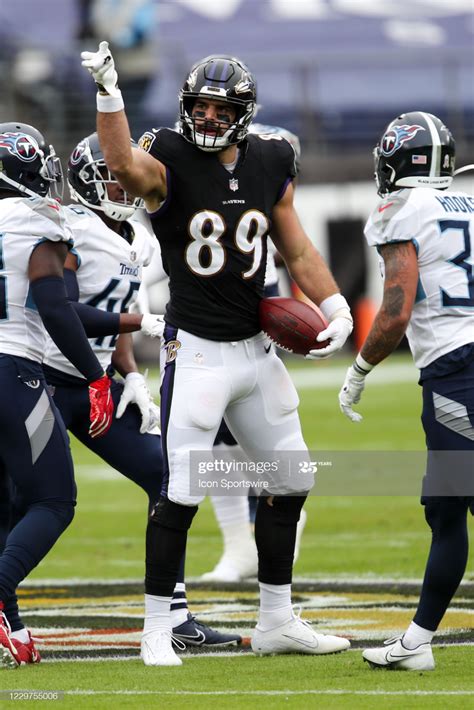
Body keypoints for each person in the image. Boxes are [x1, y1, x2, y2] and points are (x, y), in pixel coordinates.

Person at [81, 42, 353, 666]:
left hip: (257, 352)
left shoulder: (271, 159)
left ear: (244, 112)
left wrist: (335, 306)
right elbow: (123, 166)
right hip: (198, 350)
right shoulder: (168, 158)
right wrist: (109, 94)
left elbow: (298, 250)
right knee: (180, 491)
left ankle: (278, 618)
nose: (203, 118)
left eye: (216, 108)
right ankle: (156, 627)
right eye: (196, 106)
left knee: (293, 481)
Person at [0, 132, 242, 665]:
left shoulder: (139, 236)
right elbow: (62, 310)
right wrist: (135, 327)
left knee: (168, 476)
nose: (124, 184)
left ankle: (174, 616)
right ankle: (8, 613)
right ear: (88, 180)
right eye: (112, 174)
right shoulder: (68, 228)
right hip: (44, 377)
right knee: (26, 501)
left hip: (90, 386)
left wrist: (128, 372)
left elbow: (121, 313)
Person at [338, 111, 474, 671]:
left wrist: (360, 370)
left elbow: (395, 311)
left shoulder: (400, 209)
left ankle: (417, 645)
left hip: (456, 370)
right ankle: (417, 641)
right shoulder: (467, 201)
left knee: (448, 510)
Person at [0, 121, 113, 668]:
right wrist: (95, 376)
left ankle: (12, 623)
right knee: (53, 500)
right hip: (13, 372)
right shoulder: (36, 221)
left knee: (6, 505)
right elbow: (53, 303)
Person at [203, 122, 306, 583]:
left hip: (255, 308)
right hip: (208, 313)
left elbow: (288, 244)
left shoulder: (269, 159)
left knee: (255, 432)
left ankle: (283, 514)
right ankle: (238, 544)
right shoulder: (204, 166)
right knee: (211, 435)